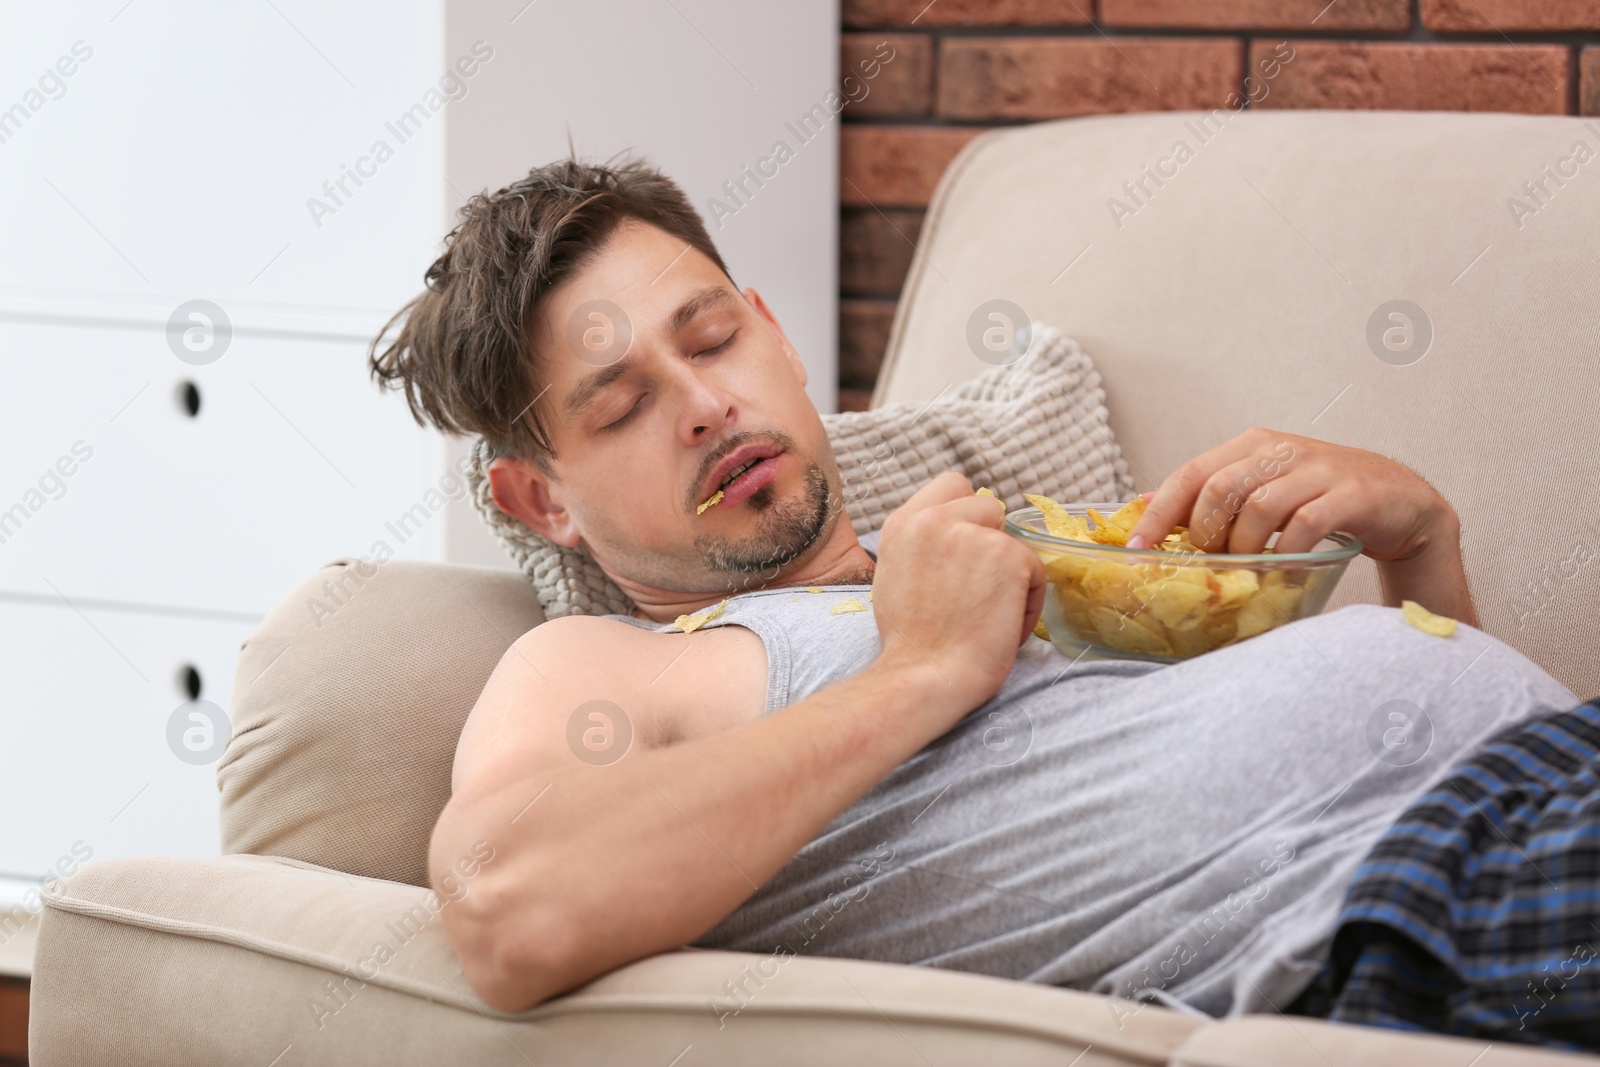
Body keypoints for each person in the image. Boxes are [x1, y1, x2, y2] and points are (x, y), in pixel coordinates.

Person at [367, 158, 1582, 1036]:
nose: (704, 402)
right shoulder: (608, 663)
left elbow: (1369, 736)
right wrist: (918, 670)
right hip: (1406, 897)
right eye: (621, 404)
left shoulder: (994, 539)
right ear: (543, 504)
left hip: (1544, 774)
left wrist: (1419, 548)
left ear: (779, 339)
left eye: (714, 336)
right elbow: (507, 906)